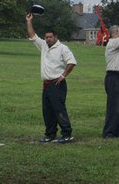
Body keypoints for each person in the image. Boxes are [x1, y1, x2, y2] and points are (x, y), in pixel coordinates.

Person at [25, 13, 77, 143]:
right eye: (46, 37)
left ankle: (67, 134)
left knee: (59, 109)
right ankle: (50, 134)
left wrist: (63, 75)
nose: (48, 39)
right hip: (46, 84)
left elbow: (71, 62)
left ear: (55, 37)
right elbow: (32, 35)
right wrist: (29, 21)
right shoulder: (43, 46)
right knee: (47, 111)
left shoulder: (62, 48)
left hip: (57, 84)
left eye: (50, 37)